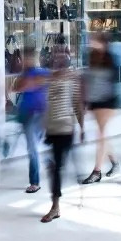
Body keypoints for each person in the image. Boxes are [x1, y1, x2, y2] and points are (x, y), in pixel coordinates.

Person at [40, 44, 83, 223]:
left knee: (57, 167)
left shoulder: (72, 77)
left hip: (65, 128)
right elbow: (47, 103)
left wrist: (82, 127)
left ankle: (55, 206)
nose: (58, 56)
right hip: (51, 129)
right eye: (56, 53)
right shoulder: (49, 77)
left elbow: (77, 103)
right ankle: (59, 200)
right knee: (55, 166)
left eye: (62, 53)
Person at [81, 33, 120, 183]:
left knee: (101, 135)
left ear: (103, 43)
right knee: (103, 136)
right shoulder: (91, 57)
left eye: (95, 41)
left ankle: (97, 171)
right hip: (95, 101)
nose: (92, 44)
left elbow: (116, 81)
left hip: (108, 101)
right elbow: (89, 80)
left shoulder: (111, 58)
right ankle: (115, 162)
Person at [13, 49, 50, 193]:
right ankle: (35, 181)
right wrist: (30, 82)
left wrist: (29, 83)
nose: (25, 61)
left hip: (40, 114)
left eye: (27, 58)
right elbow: (16, 87)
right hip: (27, 115)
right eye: (24, 58)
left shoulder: (43, 72)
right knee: (33, 148)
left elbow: (30, 85)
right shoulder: (24, 75)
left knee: (35, 146)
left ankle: (44, 168)